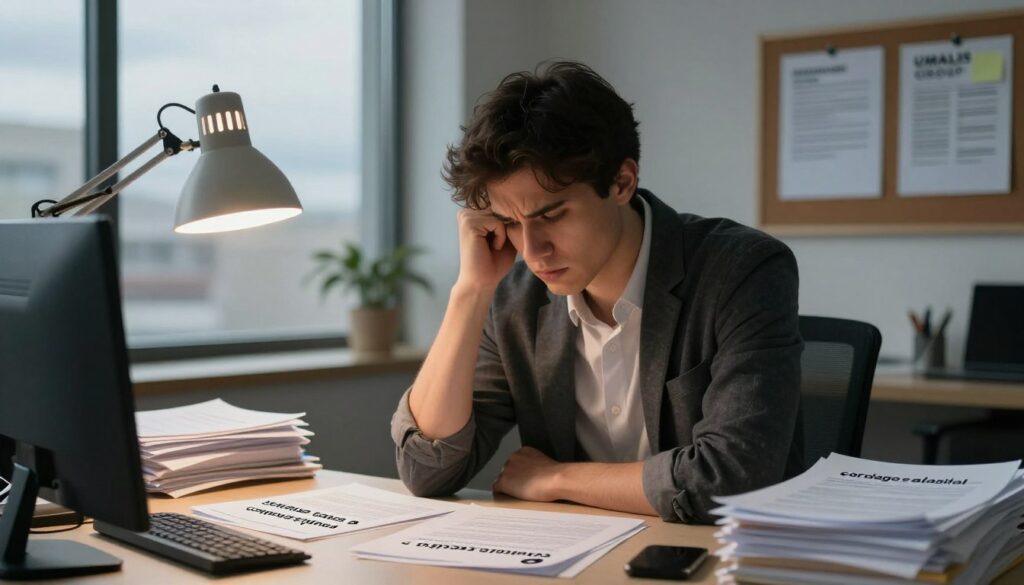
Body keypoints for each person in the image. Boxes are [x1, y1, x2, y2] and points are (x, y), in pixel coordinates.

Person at [391, 61, 803, 524]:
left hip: (714, 558)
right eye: (509, 222)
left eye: (552, 215)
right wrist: (470, 291)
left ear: (622, 182)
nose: (531, 250)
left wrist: (557, 479)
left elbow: (733, 478)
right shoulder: (513, 297)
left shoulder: (742, 270)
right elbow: (426, 470)